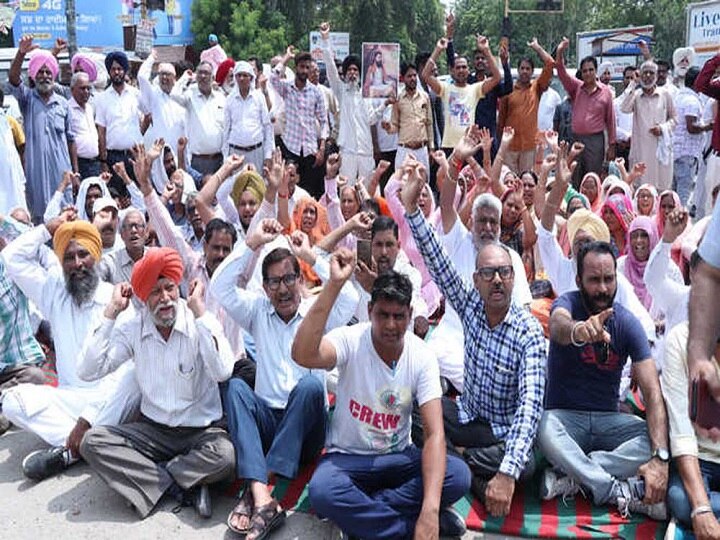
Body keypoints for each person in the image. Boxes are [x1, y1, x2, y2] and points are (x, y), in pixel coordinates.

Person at [401, 148, 546, 517]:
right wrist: (412, 210)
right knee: (414, 409)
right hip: (466, 414)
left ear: (514, 278)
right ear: (476, 281)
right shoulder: (470, 308)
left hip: (498, 432)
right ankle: (470, 470)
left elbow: (529, 409)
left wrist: (509, 471)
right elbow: (437, 257)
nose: (496, 280)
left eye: (503, 273)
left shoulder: (528, 333)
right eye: (488, 274)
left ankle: (457, 463)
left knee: (525, 461)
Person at [293, 261, 471, 538]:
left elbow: (435, 434)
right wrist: (333, 285)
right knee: (322, 491)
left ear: (410, 314)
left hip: (399, 457)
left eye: (399, 316)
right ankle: (404, 527)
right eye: (383, 315)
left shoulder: (421, 356)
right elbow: (303, 354)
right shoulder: (350, 339)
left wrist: (431, 510)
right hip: (349, 459)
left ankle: (363, 518)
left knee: (458, 475)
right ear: (369, 312)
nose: (390, 325)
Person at [210, 219, 359, 539]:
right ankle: (265, 500)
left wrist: (309, 256)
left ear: (299, 279)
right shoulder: (256, 311)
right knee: (236, 386)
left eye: (289, 278)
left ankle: (257, 485)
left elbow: (350, 300)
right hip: (268, 421)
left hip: (308, 429)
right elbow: (218, 287)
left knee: (308, 386)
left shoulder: (315, 311)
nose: (283, 288)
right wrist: (251, 243)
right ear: (264, 288)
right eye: (274, 282)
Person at [79, 248, 236, 519]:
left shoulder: (196, 321)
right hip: (154, 432)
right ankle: (187, 484)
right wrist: (111, 311)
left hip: (200, 432)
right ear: (143, 299)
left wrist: (200, 311)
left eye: (169, 288)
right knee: (92, 442)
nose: (164, 298)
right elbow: (88, 370)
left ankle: (154, 478)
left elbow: (223, 371)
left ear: (179, 289)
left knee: (225, 458)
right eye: (154, 291)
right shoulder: (133, 329)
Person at [538, 241, 669, 521]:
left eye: (609, 279)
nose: (602, 289)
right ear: (579, 281)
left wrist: (660, 459)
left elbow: (653, 394)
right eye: (594, 280)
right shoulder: (567, 304)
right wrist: (580, 331)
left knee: (657, 437)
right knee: (543, 426)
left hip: (608, 422)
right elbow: (558, 326)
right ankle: (618, 491)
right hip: (565, 422)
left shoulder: (627, 323)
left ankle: (574, 475)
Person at [1, 217, 134, 480]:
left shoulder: (115, 299)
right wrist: (47, 229)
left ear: (95, 256)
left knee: (131, 382)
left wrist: (87, 419)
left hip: (108, 403)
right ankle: (80, 446)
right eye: (69, 257)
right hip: (70, 398)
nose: (77, 264)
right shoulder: (54, 294)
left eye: (83, 254)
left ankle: (74, 446)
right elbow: (13, 258)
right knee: (13, 401)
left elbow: (123, 376)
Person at [662, 320, 720, 537]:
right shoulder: (680, 339)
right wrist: (702, 509)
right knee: (681, 501)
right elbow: (681, 433)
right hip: (699, 458)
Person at [8, 36, 75, 220]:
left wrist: (75, 171)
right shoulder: (27, 99)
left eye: (48, 72)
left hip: (62, 171)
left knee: (65, 215)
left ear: (54, 75)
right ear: (33, 75)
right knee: (39, 216)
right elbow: (13, 78)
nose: (45, 75)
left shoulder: (63, 104)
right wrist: (21, 52)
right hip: (36, 172)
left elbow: (71, 140)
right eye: (40, 72)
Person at [319, 22, 390, 184]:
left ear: (360, 73)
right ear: (344, 74)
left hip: (365, 150)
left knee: (368, 192)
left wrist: (385, 104)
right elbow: (330, 67)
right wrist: (325, 39)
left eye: (355, 70)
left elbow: (371, 119)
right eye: (349, 70)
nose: (352, 73)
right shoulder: (341, 90)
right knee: (347, 191)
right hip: (348, 151)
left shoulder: (366, 93)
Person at [422, 34, 500, 151]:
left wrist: (486, 50)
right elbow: (425, 75)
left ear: (469, 70)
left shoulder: (475, 89)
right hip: (449, 146)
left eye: (464, 67)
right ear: (452, 71)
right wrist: (438, 50)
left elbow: (497, 77)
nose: (461, 70)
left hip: (469, 145)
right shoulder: (445, 88)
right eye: (458, 68)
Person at [556, 38, 617, 183]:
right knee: (574, 175)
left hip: (595, 141)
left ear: (596, 71)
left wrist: (612, 145)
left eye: (591, 70)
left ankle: (592, 205)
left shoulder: (605, 92)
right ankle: (576, 204)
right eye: (584, 71)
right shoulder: (576, 88)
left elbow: (611, 120)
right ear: (581, 73)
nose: (588, 73)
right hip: (576, 138)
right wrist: (560, 51)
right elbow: (561, 72)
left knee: (592, 178)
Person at [270, 46, 328, 199]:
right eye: (302, 67)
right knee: (289, 190)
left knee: (308, 194)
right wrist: (286, 58)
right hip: (290, 147)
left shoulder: (316, 92)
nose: (304, 71)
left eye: (307, 68)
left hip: (310, 150)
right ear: (296, 68)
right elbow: (272, 78)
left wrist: (322, 148)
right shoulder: (287, 88)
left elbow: (323, 121)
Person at [497, 38, 555, 173]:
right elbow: (501, 120)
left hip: (529, 146)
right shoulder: (509, 90)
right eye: (522, 68)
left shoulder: (536, 88)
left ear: (532, 71)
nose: (524, 71)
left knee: (527, 183)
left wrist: (537, 47)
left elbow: (550, 63)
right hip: (510, 146)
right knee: (509, 182)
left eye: (528, 68)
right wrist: (501, 144)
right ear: (518, 70)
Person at [620, 60, 677, 192]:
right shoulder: (636, 96)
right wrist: (633, 83)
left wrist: (663, 128)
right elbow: (624, 108)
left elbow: (674, 119)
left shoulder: (665, 95)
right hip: (641, 152)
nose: (648, 76)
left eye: (651, 73)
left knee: (661, 189)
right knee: (640, 190)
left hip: (660, 152)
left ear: (656, 76)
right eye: (645, 73)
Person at [95, 50, 143, 197]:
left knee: (138, 196)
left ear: (125, 71)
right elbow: (101, 132)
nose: (117, 72)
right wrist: (103, 161)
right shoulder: (102, 98)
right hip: (113, 158)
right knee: (117, 197)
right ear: (109, 72)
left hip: (135, 156)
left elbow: (144, 120)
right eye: (114, 69)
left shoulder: (136, 94)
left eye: (120, 69)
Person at [138, 50, 187, 194]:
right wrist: (152, 58)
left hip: (180, 158)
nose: (164, 78)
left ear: (174, 78)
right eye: (161, 74)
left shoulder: (180, 97)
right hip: (161, 162)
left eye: (168, 75)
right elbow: (141, 77)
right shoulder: (153, 97)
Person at [171, 60, 226, 176]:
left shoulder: (221, 98)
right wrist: (186, 77)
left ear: (213, 77)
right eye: (200, 72)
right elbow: (173, 94)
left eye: (206, 73)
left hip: (219, 159)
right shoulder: (190, 97)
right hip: (199, 161)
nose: (203, 76)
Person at [223, 61, 274, 172]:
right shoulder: (229, 100)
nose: (242, 78)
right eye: (239, 75)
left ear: (251, 78)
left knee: (257, 187)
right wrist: (225, 157)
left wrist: (268, 155)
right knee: (236, 187)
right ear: (235, 78)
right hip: (235, 153)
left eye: (245, 75)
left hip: (256, 152)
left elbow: (267, 126)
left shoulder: (259, 97)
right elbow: (226, 130)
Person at [382, 62, 433, 172]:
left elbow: (429, 124)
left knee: (423, 185)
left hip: (422, 149)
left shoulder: (424, 97)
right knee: (402, 185)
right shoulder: (398, 99)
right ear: (403, 78)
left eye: (414, 75)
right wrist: (387, 127)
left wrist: (431, 148)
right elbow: (394, 126)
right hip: (405, 150)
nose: (413, 79)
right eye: (409, 76)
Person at [673, 67, 712, 206]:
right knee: (682, 197)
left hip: (675, 153)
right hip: (686, 155)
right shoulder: (692, 101)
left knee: (673, 197)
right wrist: (709, 126)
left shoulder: (678, 96)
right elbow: (691, 127)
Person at [97, 209, 148, 285]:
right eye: (129, 227)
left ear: (146, 232)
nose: (133, 230)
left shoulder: (157, 258)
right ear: (122, 234)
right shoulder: (110, 262)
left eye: (137, 226)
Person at [68, 71, 100, 179]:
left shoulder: (90, 108)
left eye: (88, 88)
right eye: (82, 88)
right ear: (72, 90)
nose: (86, 92)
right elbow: (70, 141)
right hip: (80, 165)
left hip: (95, 164)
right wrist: (76, 172)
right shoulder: (68, 110)